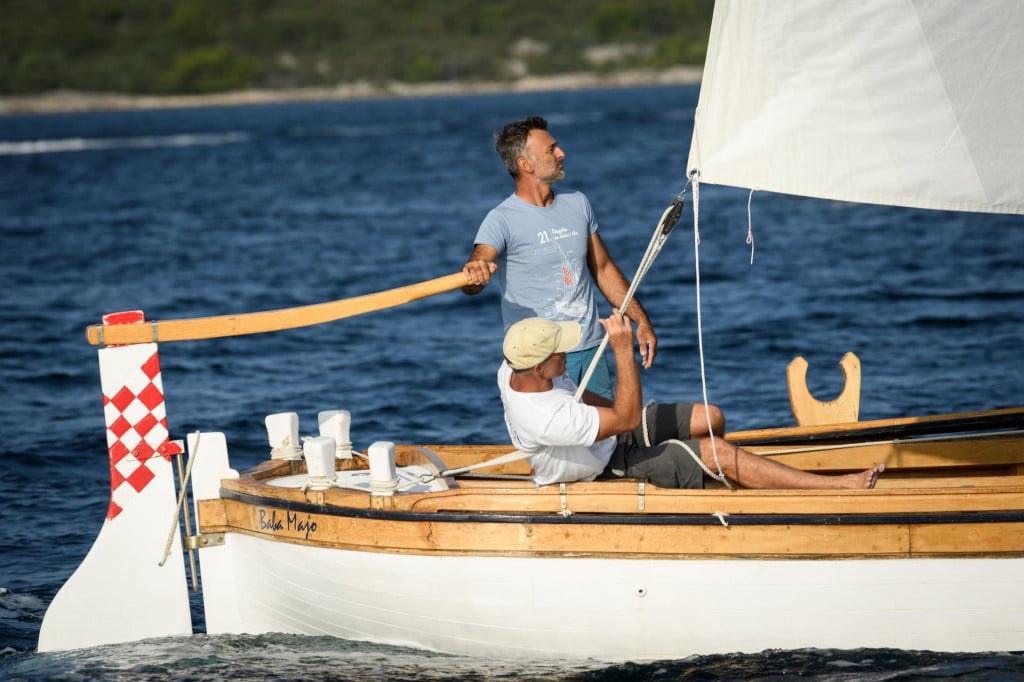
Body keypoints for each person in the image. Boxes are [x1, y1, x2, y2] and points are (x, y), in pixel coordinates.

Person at [498, 314, 885, 490]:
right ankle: (834, 487)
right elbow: (627, 415)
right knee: (720, 453)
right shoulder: (550, 419)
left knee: (711, 416)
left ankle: (723, 478)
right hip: (603, 466)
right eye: (559, 353)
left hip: (603, 434)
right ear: (539, 367)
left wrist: (610, 419)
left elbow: (606, 411)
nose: (567, 353)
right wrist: (621, 349)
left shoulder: (513, 367)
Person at [462, 115, 657, 401]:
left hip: (590, 349)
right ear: (526, 165)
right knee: (554, 439)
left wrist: (641, 320)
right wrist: (475, 271)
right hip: (540, 360)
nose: (561, 153)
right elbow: (474, 274)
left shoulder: (578, 202)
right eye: (551, 149)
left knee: (604, 438)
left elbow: (602, 269)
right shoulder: (500, 219)